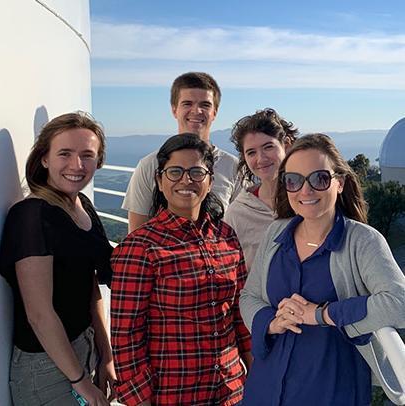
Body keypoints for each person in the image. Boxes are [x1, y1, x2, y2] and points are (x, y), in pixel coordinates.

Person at [239, 133, 405, 405]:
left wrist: (321, 314)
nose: (305, 191)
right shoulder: (275, 233)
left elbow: (399, 303)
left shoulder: (362, 241)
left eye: (319, 179)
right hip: (265, 389)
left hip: (332, 390)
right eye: (293, 180)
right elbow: (249, 297)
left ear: (339, 183)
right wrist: (272, 321)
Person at [111, 133, 251, 405]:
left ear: (210, 181)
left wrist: (258, 372)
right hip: (173, 393)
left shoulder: (226, 237)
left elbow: (239, 313)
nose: (186, 180)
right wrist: (139, 400)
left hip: (231, 390)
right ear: (159, 180)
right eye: (175, 172)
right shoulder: (141, 247)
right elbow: (126, 335)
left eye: (197, 172)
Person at [0, 112, 115, 405]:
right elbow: (39, 314)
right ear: (44, 159)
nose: (77, 165)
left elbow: (89, 286)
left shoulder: (81, 205)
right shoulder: (31, 216)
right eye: (65, 153)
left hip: (83, 348)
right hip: (47, 367)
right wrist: (81, 383)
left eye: (87, 155)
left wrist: (105, 353)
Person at [122, 72, 241, 232]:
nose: (196, 111)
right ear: (174, 110)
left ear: (215, 112)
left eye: (205, 105)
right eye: (187, 104)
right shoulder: (150, 165)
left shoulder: (233, 167)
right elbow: (136, 231)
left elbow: (240, 226)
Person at [224, 108, 298, 270]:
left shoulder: (309, 199)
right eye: (251, 152)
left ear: (286, 145)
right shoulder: (237, 214)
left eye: (268, 147)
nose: (261, 159)